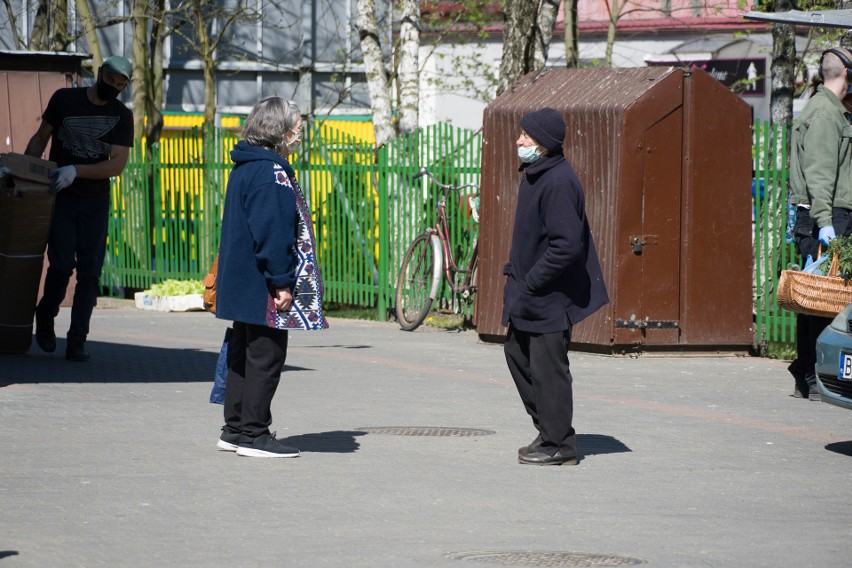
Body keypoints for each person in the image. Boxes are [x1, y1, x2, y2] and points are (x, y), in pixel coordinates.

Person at [214, 96, 328, 458]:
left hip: (242, 279)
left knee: (242, 354)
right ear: (278, 130)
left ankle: (234, 429)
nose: (297, 135)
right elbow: (273, 231)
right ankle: (254, 435)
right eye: (294, 128)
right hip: (262, 283)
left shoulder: (245, 166)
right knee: (266, 355)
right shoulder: (271, 172)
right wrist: (281, 281)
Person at [502, 107, 609, 466]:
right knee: (517, 354)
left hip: (550, 296)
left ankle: (561, 445)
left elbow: (566, 246)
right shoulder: (536, 173)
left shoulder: (559, 180)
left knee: (550, 370)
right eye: (521, 135)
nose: (519, 141)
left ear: (544, 144)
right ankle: (548, 431)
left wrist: (532, 280)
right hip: (530, 294)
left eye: (527, 137)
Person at [24, 55, 134, 362]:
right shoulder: (65, 100)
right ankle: (45, 315)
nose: (115, 85)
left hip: (94, 201)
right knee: (60, 264)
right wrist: (23, 173)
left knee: (90, 273)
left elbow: (117, 165)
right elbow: (40, 139)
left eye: (121, 83)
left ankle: (77, 340)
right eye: (112, 79)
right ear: (100, 73)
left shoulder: (122, 116)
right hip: (61, 196)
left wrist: (77, 170)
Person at [788, 47, 852, 399]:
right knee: (822, 299)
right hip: (826, 215)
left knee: (818, 298)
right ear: (845, 72)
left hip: (824, 214)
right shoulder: (826, 115)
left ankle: (806, 374)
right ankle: (811, 374)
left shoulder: (831, 110)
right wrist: (826, 223)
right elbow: (820, 175)